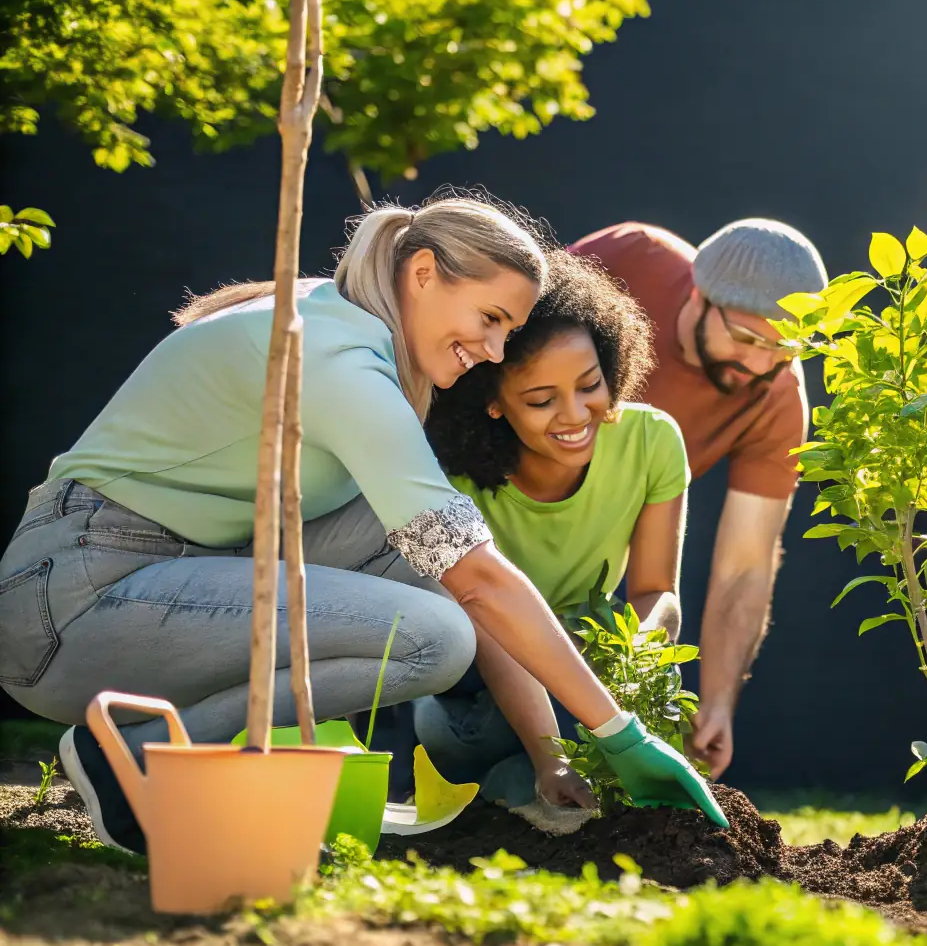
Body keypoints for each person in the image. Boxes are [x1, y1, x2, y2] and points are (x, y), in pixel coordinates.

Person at [0, 196, 723, 853]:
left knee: (415, 552)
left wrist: (552, 756)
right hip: (71, 602)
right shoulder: (342, 361)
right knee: (435, 639)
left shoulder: (342, 323)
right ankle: (135, 757)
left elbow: (453, 561)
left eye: (510, 331)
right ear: (423, 274)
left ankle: (147, 750)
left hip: (149, 573)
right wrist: (618, 732)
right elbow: (478, 581)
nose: (495, 353)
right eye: (491, 320)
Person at [416, 249, 690, 833]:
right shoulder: (451, 479)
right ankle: (518, 781)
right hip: (478, 686)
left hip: (581, 664)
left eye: (590, 385)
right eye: (541, 401)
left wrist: (633, 665)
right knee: (489, 735)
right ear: (492, 402)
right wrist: (553, 756)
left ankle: (520, 794)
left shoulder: (653, 441)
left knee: (649, 663)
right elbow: (487, 618)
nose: (575, 416)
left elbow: (655, 590)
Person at [568, 219, 827, 779]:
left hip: (599, 572)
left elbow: (745, 567)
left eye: (782, 350)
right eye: (746, 339)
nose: (760, 364)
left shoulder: (778, 397)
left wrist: (717, 704)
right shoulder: (628, 260)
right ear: (698, 293)